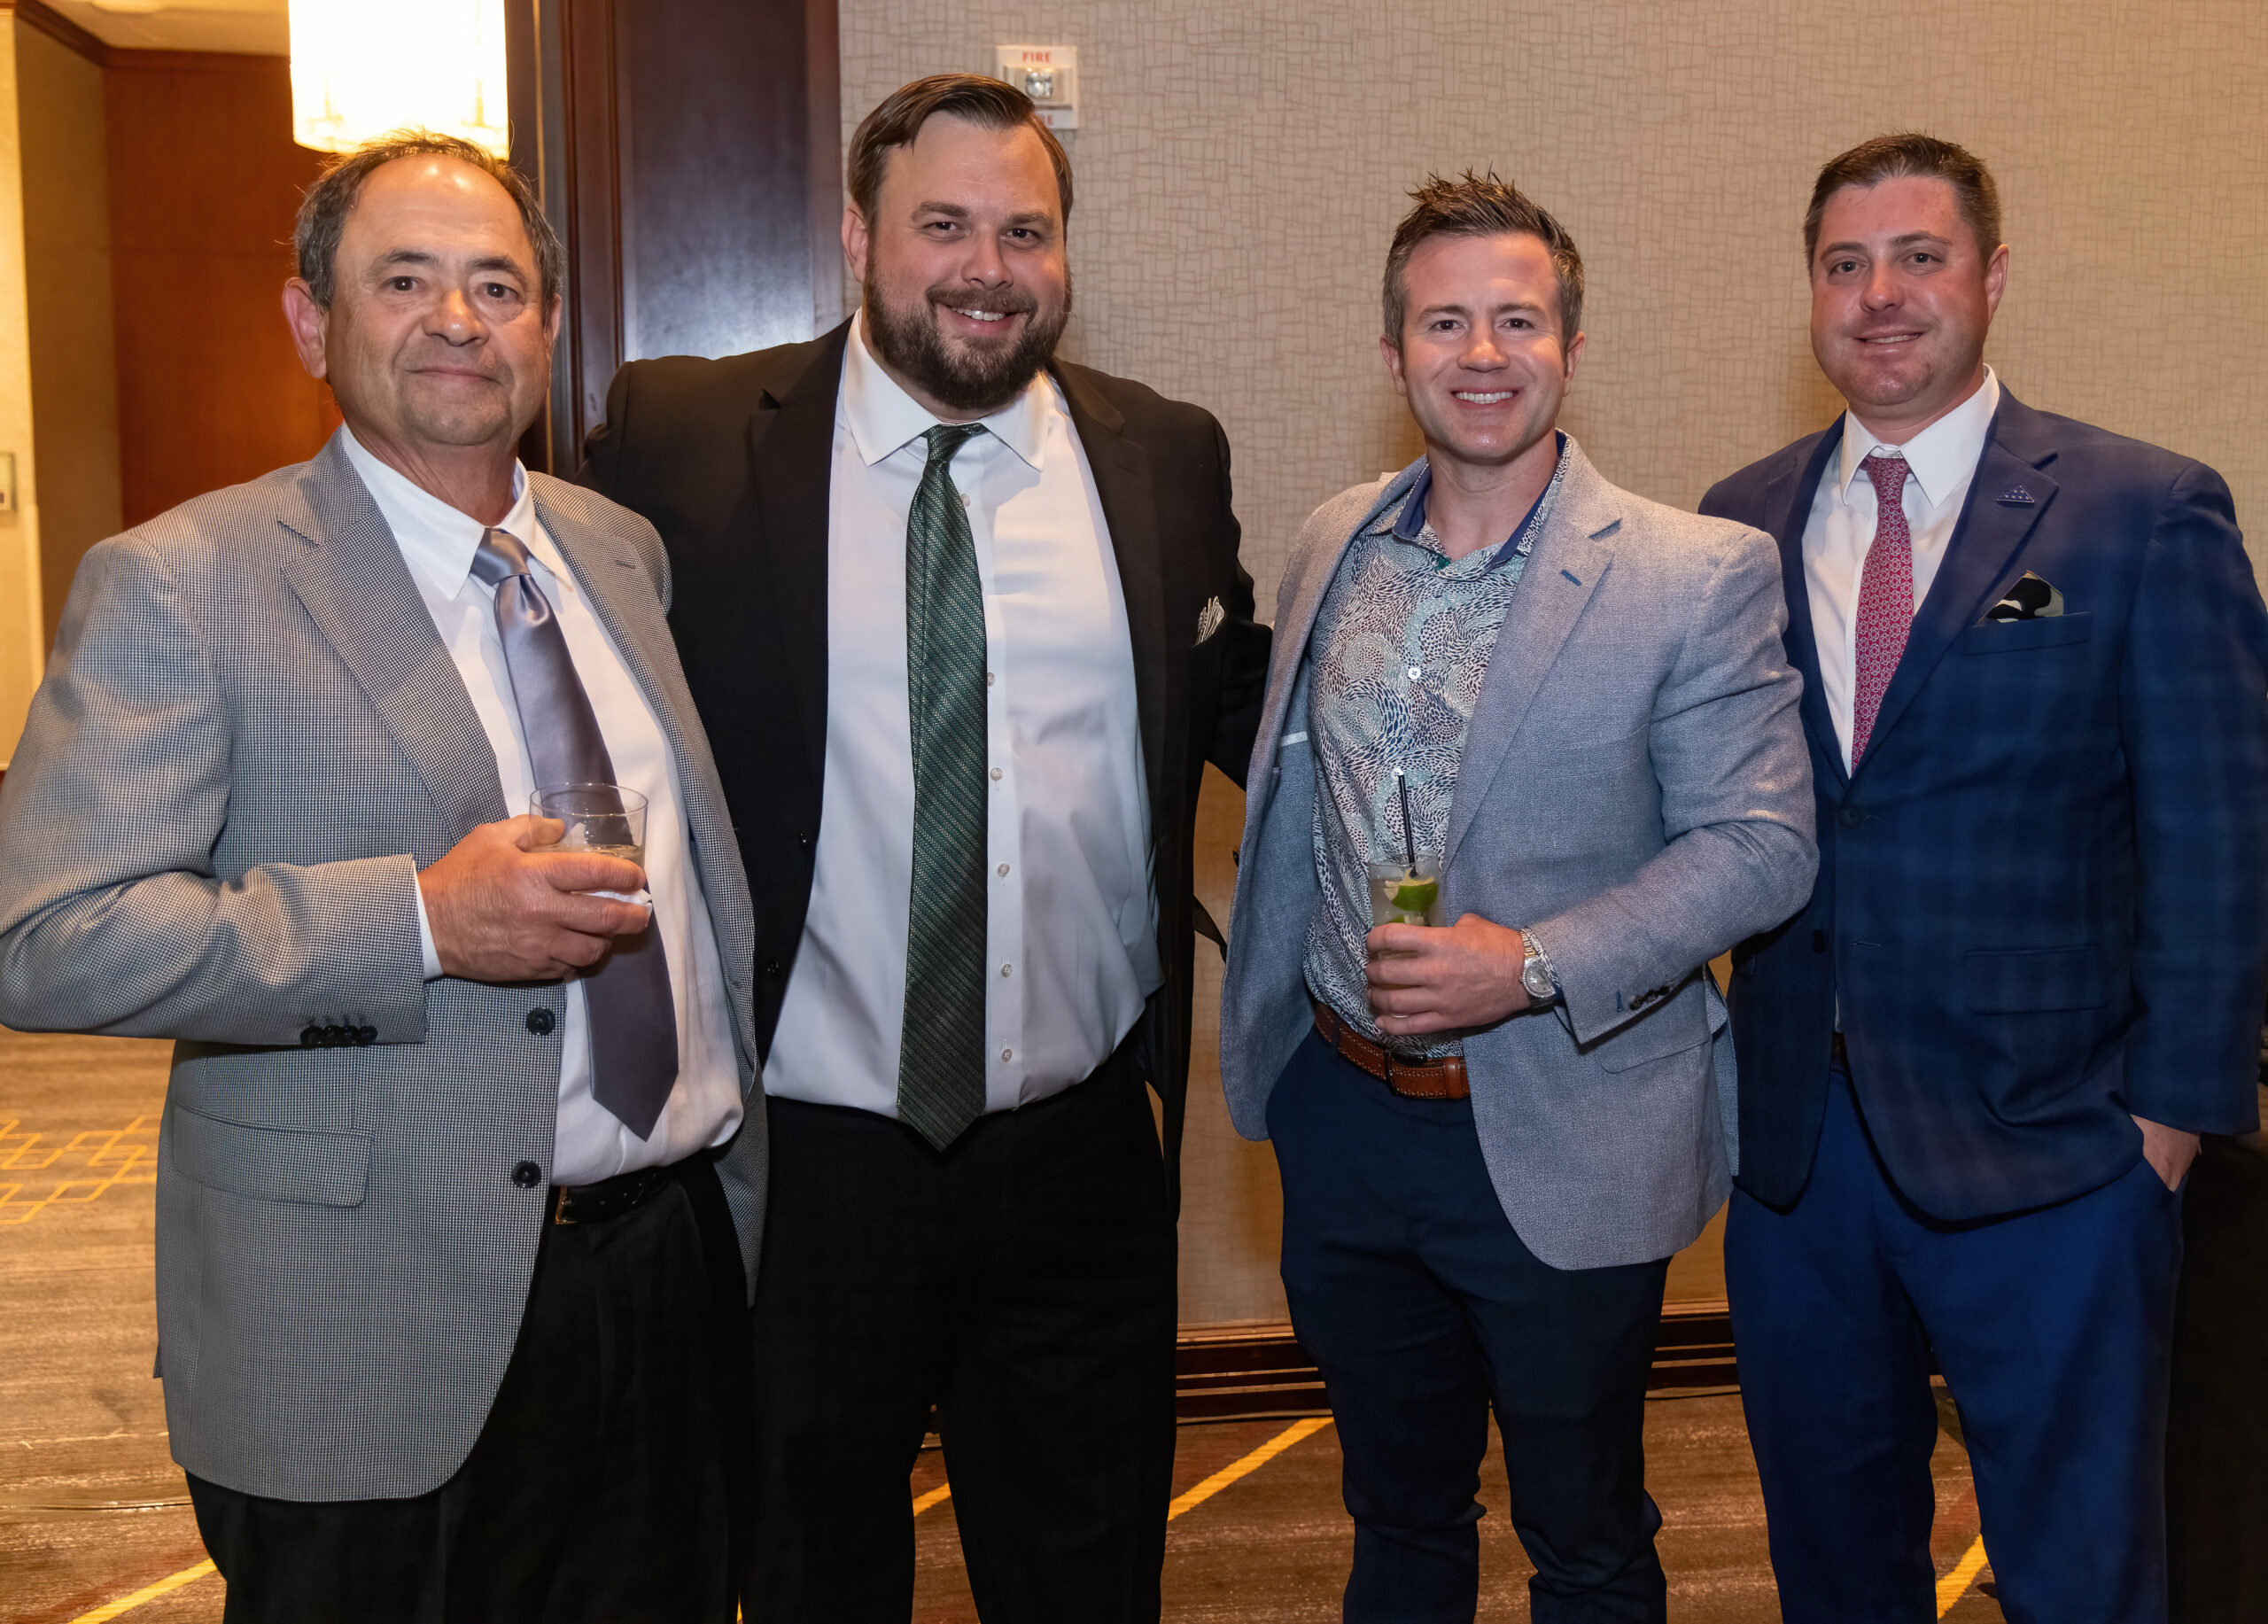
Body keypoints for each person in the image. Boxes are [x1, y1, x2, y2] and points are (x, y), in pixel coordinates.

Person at [0, 134, 760, 1622]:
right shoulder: (186, 580)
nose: (458, 320)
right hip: (365, 1312)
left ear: (550, 324)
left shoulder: (618, 553)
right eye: (403, 281)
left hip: (666, 1280)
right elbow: (49, 934)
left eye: (498, 286)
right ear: (312, 322)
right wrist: (419, 922)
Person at [579, 74, 1270, 1621]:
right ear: (857, 237)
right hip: (808, 1161)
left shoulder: (1165, 456)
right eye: (943, 224)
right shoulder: (686, 437)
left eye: (1026, 231)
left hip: (1081, 1158)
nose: (988, 268)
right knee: (810, 1576)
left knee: (1089, 1579)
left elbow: (1244, 700)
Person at [1216, 171, 1817, 1623]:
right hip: (1344, 1115)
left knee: (1584, 1535)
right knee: (1395, 1515)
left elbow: (1763, 845)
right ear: (1392, 353)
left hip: (1566, 1116)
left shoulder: (1694, 573)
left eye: (1518, 320)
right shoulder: (1334, 542)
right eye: (1445, 323)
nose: (1481, 353)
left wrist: (1531, 961)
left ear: (1572, 346)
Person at [1703, 133, 2268, 1623]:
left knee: (2082, 1577)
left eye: (1920, 256)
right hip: (1798, 1163)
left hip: (2062, 1157)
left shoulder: (2144, 510)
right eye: (1845, 264)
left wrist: (2169, 1126)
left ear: (1994, 276)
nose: (1880, 294)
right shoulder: (1736, 525)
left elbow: (2223, 838)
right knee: (1834, 1570)